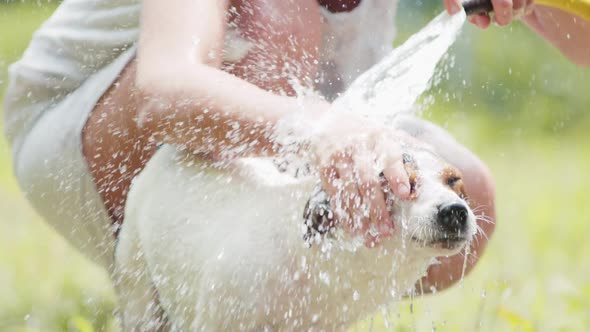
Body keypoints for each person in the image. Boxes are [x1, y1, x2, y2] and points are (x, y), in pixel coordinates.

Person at [2, 0, 588, 299]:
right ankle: (209, 300)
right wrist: (318, 130)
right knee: (281, 15)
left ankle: (273, 310)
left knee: (467, 196)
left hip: (309, 123)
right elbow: (162, 91)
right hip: (80, 132)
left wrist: (534, 5)